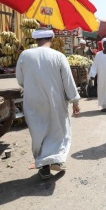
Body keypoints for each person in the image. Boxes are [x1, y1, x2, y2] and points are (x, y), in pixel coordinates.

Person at [16, 28, 80, 180]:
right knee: (57, 130)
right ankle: (56, 159)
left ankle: (44, 166)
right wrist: (75, 101)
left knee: (39, 132)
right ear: (52, 37)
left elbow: (20, 79)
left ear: (35, 39)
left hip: (33, 101)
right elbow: (68, 82)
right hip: (55, 101)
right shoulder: (59, 56)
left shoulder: (25, 55)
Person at [89, 38, 106, 114]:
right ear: (102, 45)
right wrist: (92, 74)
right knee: (103, 90)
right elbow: (94, 65)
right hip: (101, 76)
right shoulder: (98, 54)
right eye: (104, 44)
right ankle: (105, 106)